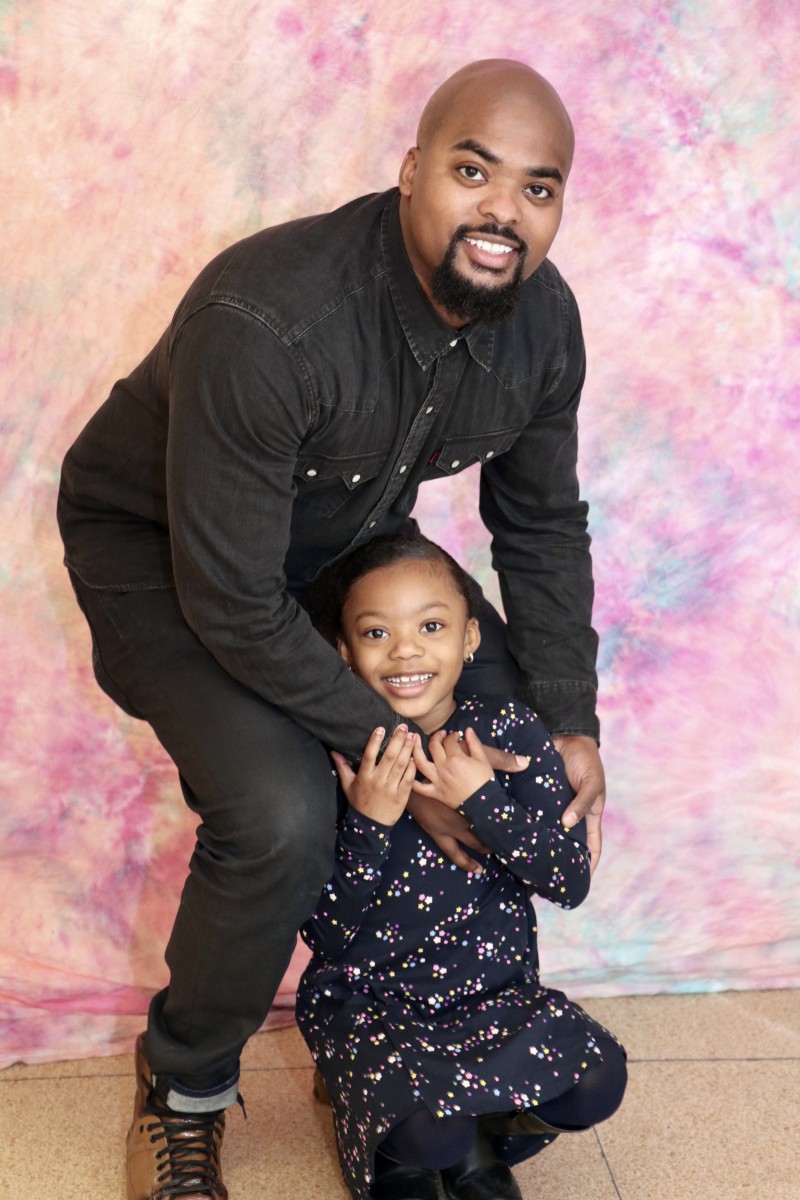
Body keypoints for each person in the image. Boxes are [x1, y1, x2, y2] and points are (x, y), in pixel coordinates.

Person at [57, 58, 606, 1200]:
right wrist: (397, 762)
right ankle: (184, 1089)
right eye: (471, 171)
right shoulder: (268, 319)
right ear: (411, 173)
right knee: (279, 814)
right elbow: (233, 598)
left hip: (342, 544)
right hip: (171, 560)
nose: (501, 210)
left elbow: (541, 521)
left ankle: (413, 1045)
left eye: (536, 188)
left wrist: (570, 723)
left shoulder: (542, 325)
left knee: (513, 741)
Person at [297, 532, 626, 1200]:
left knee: (599, 1080)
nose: (407, 650)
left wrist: (483, 801)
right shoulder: (335, 759)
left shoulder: (509, 733)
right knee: (429, 1139)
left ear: (470, 639)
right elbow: (324, 938)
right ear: (343, 651)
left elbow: (568, 880)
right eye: (376, 632)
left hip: (493, 995)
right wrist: (369, 823)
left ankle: (476, 1131)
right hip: (374, 1007)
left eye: (432, 626)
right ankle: (417, 1144)